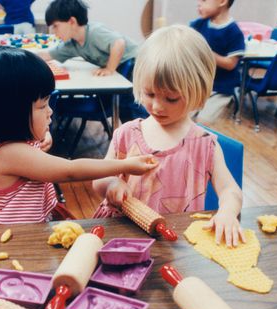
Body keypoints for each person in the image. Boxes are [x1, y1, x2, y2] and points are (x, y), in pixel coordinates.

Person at [0, 46, 157, 227]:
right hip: (3, 240)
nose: (50, 111)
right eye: (42, 106)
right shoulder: (10, 153)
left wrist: (42, 137)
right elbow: (70, 171)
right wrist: (126, 165)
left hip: (27, 228)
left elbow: (29, 153)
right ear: (9, 113)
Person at [92, 25, 245, 247]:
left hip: (176, 241)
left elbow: (230, 189)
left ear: (198, 92)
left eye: (171, 98)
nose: (157, 106)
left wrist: (228, 213)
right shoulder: (126, 134)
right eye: (149, 93)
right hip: (122, 237)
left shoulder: (205, 145)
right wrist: (112, 184)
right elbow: (98, 181)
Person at [37, 0, 145, 121]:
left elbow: (118, 43)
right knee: (124, 105)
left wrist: (109, 68)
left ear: (72, 21)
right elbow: (48, 55)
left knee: (131, 105)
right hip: (122, 66)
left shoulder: (94, 32)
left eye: (56, 26)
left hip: (134, 62)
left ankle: (145, 133)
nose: (54, 32)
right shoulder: (72, 44)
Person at [190, 0, 245, 123]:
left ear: (222, 1)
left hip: (220, 89)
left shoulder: (234, 32)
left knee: (203, 121)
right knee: (183, 118)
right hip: (197, 86)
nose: (199, 4)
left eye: (204, 0)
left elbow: (231, 64)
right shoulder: (198, 25)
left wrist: (206, 52)